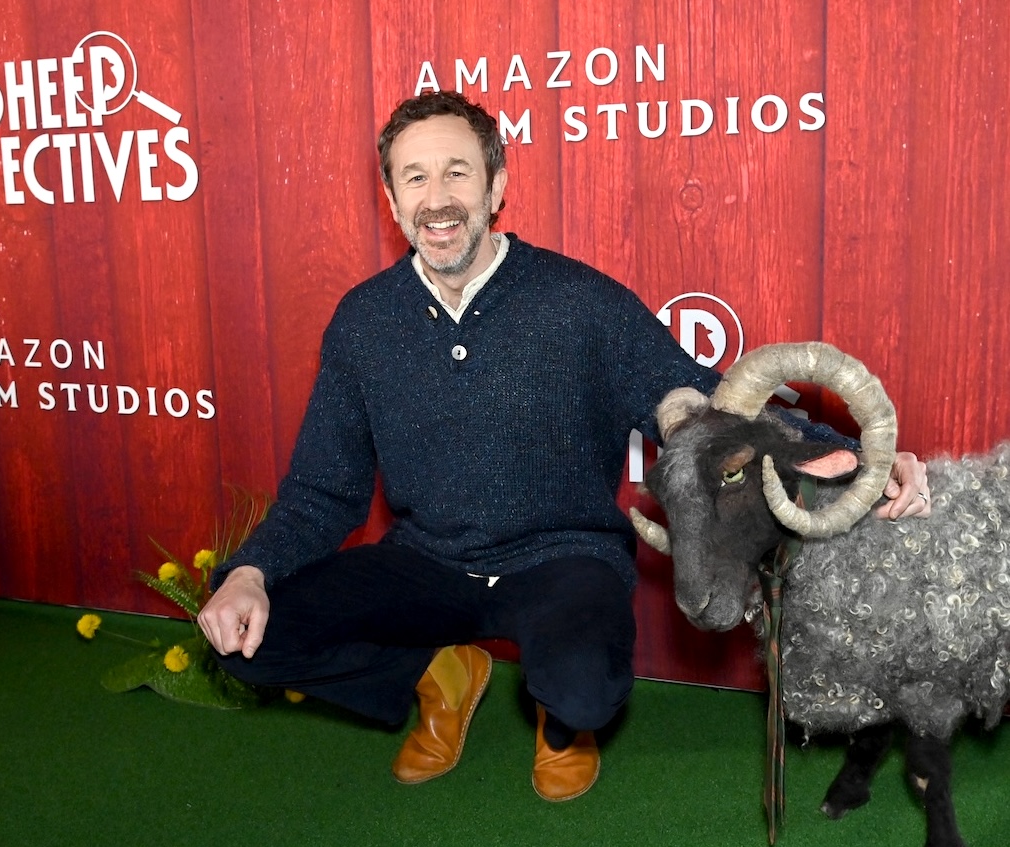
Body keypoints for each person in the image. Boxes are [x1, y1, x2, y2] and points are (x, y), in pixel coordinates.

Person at [198, 90, 931, 801]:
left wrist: (854, 460)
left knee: (582, 690)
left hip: (562, 560)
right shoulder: (363, 324)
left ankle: (563, 727)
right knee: (252, 637)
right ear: (392, 202)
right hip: (425, 562)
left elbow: (708, 407)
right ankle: (440, 673)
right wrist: (251, 570)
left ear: (497, 186)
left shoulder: (579, 302)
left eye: (457, 171)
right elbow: (323, 491)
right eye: (414, 177)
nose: (438, 197)